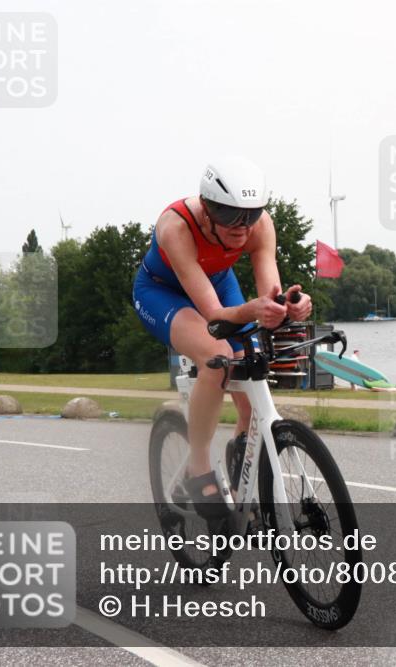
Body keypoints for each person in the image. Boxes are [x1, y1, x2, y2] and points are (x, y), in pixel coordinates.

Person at [132, 156, 312, 516]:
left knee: (253, 363)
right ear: (207, 208)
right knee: (218, 357)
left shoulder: (259, 226)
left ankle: (241, 451)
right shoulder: (176, 227)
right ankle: (199, 468)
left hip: (217, 284)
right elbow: (214, 316)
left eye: (252, 214)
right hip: (163, 292)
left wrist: (288, 306)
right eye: (230, 215)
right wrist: (255, 309)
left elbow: (269, 292)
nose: (242, 227)